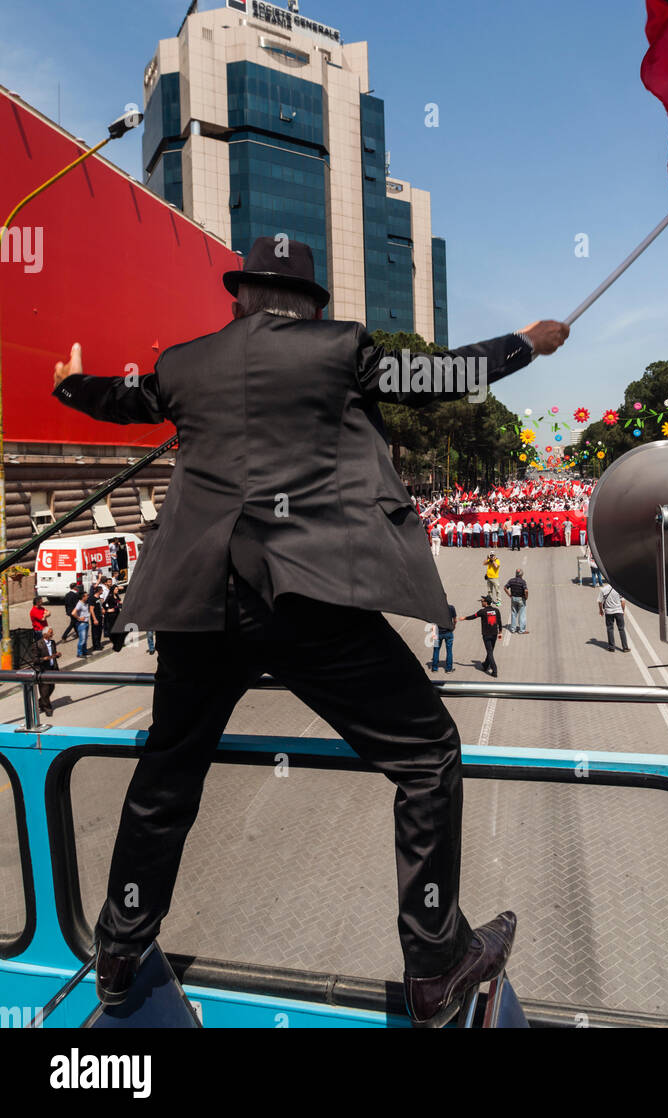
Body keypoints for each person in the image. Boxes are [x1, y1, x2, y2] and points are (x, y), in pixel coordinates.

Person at [52, 234, 569, 1024]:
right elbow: (440, 378)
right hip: (311, 596)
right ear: (311, 306)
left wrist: (67, 387)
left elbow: (123, 400)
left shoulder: (185, 362)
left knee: (167, 775)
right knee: (427, 759)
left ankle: (120, 951)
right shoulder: (342, 352)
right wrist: (526, 346)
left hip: (202, 602)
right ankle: (435, 964)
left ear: (241, 299)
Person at [460, 596, 502, 678]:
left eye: (482, 601)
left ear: (486, 602)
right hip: (494, 634)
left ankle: (495, 670)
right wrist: (500, 631)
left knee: (489, 652)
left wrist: (464, 618)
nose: (481, 602)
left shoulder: (482, 612)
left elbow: (473, 616)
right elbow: (499, 621)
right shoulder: (496, 610)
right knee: (490, 651)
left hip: (486, 635)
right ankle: (486, 665)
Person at [22, 625, 60, 716]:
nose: (52, 634)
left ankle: (41, 701)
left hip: (52, 669)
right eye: (51, 633)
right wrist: (44, 659)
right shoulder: (37, 645)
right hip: (43, 670)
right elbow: (35, 660)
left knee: (51, 687)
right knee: (44, 690)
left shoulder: (53, 643)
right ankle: (47, 708)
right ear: (45, 634)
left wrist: (56, 655)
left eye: (52, 632)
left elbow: (53, 655)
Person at [598, 580, 630, 652]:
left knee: (610, 629)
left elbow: (600, 602)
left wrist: (601, 610)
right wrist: (623, 611)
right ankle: (625, 647)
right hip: (618, 611)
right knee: (621, 629)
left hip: (608, 612)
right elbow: (623, 602)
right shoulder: (619, 589)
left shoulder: (603, 589)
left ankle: (612, 647)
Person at [431, 600, 457, 674]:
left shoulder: (436, 609)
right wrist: (453, 627)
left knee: (436, 650)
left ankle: (434, 668)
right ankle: (448, 669)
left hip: (437, 632)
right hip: (448, 632)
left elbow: (432, 621)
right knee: (449, 651)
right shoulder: (451, 608)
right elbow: (455, 620)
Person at [504, 569, 528, 634]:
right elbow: (526, 591)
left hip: (513, 598)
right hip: (521, 599)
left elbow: (505, 587)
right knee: (522, 614)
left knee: (513, 614)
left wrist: (509, 595)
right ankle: (521, 630)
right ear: (522, 574)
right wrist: (526, 597)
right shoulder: (523, 582)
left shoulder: (511, 580)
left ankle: (513, 629)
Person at [71, 592, 90, 659]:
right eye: (86, 596)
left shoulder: (85, 603)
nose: (88, 597)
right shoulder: (79, 604)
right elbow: (73, 613)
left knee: (85, 638)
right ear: (83, 597)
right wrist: (79, 618)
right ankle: (79, 653)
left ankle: (84, 651)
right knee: (82, 639)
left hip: (86, 622)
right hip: (82, 624)